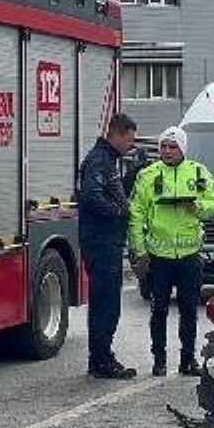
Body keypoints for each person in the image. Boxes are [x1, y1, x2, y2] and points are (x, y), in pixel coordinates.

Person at [128, 126, 214, 376]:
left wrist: (196, 206)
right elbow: (136, 215)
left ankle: (187, 360)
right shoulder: (147, 176)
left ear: (183, 149)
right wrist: (139, 251)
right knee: (158, 310)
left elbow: (213, 205)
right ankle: (159, 360)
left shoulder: (199, 172)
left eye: (172, 147)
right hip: (159, 257)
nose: (167, 151)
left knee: (189, 311)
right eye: (164, 147)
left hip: (190, 256)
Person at [77, 112, 139, 379]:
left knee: (106, 302)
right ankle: (101, 360)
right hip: (102, 243)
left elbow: (110, 192)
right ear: (119, 133)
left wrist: (133, 176)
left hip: (107, 242)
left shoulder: (108, 160)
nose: (131, 145)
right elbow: (91, 197)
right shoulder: (100, 160)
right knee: (106, 303)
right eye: (130, 139)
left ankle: (101, 357)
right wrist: (118, 212)